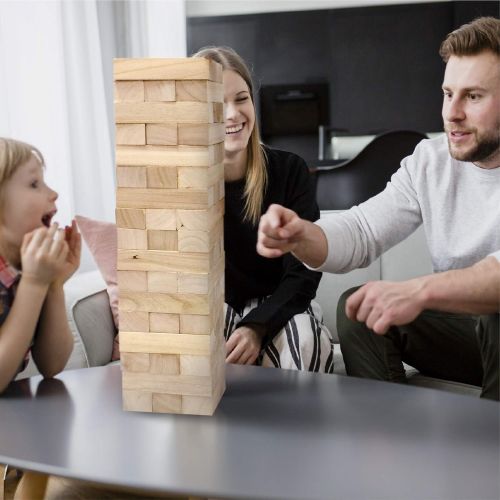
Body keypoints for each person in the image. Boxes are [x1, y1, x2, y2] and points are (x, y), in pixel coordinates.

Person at [256, 16, 500, 399]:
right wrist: (304, 234)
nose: (452, 113)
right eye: (447, 93)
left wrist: (420, 291)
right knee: (362, 311)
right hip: (467, 337)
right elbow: (363, 231)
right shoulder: (430, 162)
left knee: (495, 314)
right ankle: (388, 444)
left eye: (473, 96)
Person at [193, 47, 333, 371]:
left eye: (241, 99)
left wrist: (256, 326)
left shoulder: (289, 170)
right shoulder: (185, 185)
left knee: (308, 339)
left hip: (281, 307)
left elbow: (304, 271)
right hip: (218, 306)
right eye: (218, 103)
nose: (232, 114)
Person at [0, 138, 81, 393]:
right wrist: (35, 284)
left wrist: (53, 283)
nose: (53, 193)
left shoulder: (24, 269)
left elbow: (52, 364)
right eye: (34, 184)